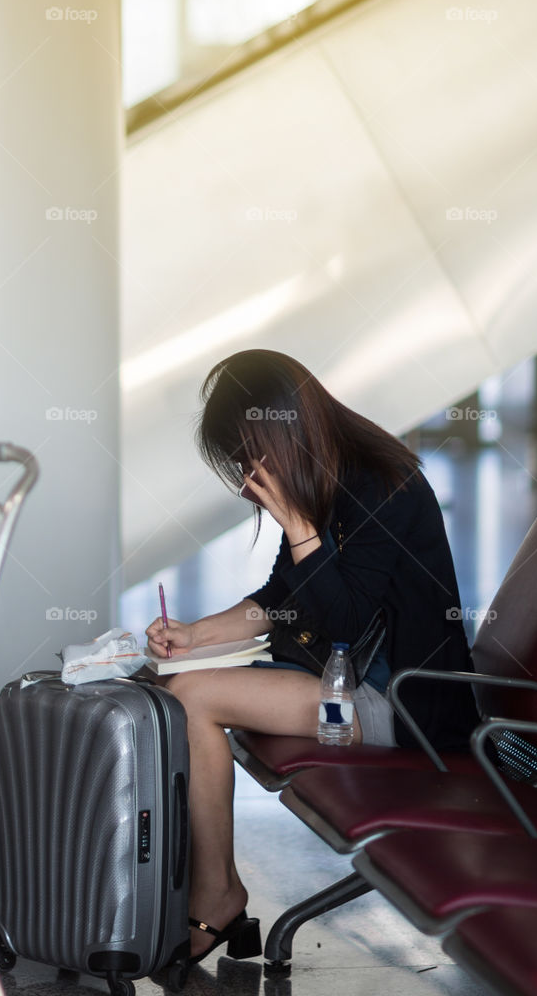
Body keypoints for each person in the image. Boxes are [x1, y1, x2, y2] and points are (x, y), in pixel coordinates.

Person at [146, 349, 478, 965]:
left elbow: (346, 618)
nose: (250, 472)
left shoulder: (384, 481)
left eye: (251, 452)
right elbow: (283, 597)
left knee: (193, 698)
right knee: (176, 683)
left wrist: (299, 524)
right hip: (341, 680)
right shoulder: (327, 474)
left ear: (284, 428)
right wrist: (194, 635)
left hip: (403, 708)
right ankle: (211, 887)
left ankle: (217, 895)